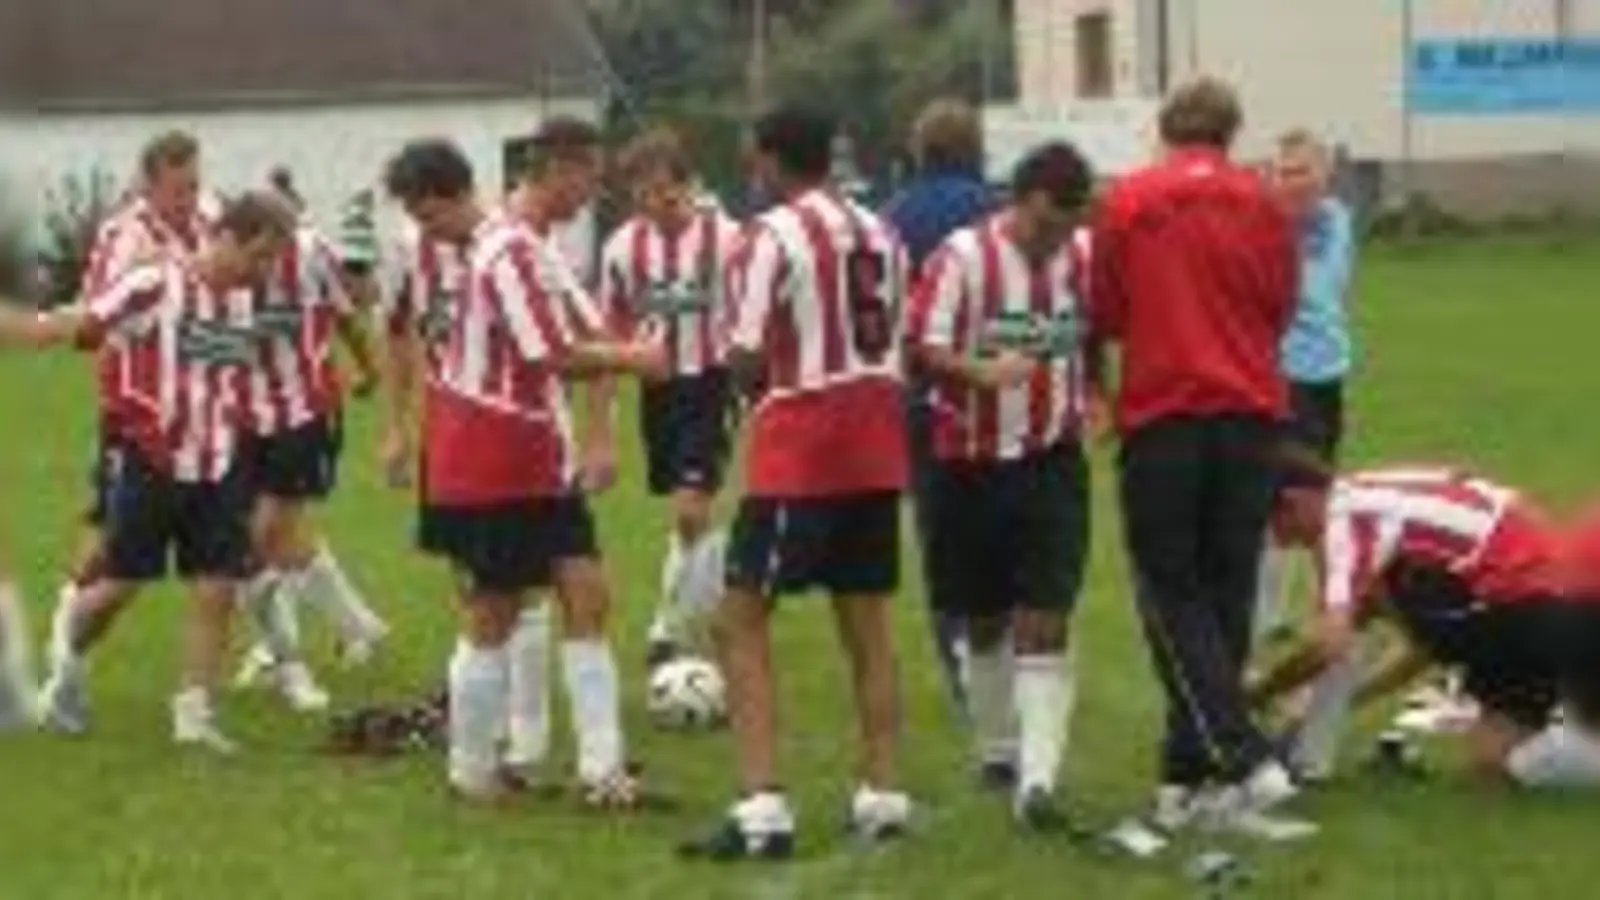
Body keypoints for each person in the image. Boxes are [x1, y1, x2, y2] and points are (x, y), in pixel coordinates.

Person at [382, 138, 666, 803]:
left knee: (586, 593)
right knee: (495, 612)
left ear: (454, 193)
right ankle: (473, 771)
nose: (428, 234)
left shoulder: (504, 247)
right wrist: (634, 359)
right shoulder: (500, 251)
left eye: (428, 217)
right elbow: (549, 355)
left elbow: (550, 347)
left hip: (522, 454)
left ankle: (602, 770)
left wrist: (610, 375)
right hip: (497, 454)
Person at [683, 105, 911, 861]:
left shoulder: (769, 236)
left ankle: (761, 808)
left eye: (755, 159)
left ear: (774, 160)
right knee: (867, 623)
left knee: (739, 619)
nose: (752, 172)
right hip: (878, 438)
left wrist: (739, 396)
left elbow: (746, 353)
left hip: (807, 441)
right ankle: (882, 796)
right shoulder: (880, 229)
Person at [1089, 77, 1307, 837]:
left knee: (1170, 592)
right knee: (1227, 592)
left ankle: (1242, 754)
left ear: (1167, 130)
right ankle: (1184, 776)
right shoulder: (1265, 203)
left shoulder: (1128, 199)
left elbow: (1107, 311)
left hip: (1166, 415)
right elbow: (1281, 308)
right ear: (1231, 132)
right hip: (1252, 417)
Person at [4, 192, 298, 751]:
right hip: (151, 461)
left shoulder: (249, 301)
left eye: (273, 260)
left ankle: (194, 716)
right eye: (258, 256)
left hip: (220, 463)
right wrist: (24, 325)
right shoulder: (154, 284)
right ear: (226, 237)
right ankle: (66, 659)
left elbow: (237, 374)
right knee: (120, 586)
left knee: (217, 585)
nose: (264, 271)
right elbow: (80, 324)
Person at [905, 142, 1097, 829]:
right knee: (982, 620)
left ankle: (1037, 785)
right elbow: (917, 346)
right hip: (967, 462)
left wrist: (1101, 392)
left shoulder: (1084, 256)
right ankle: (997, 750)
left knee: (1045, 618)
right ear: (1019, 201)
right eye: (1045, 225)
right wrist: (977, 372)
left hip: (1052, 459)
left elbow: (1096, 332)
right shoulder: (962, 257)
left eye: (1067, 227)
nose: (1055, 241)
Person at [1249, 456, 1600, 787]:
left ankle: (1304, 755)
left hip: (1520, 600)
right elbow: (1423, 648)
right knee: (1492, 764)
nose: (1279, 542)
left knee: (1359, 610)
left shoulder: (1344, 528)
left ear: (1293, 501)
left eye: (1272, 526)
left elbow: (1330, 646)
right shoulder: (1367, 493)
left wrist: (1260, 693)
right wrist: (1345, 701)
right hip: (1540, 589)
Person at [45, 132, 213, 685]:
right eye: (178, 189)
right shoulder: (124, 236)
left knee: (232, 548)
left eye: (194, 186)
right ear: (149, 184)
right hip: (136, 414)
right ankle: (63, 645)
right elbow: (93, 326)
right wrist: (144, 294)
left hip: (202, 411)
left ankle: (278, 665)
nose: (188, 199)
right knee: (110, 544)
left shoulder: (208, 223)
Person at [596, 127, 743, 667]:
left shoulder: (728, 240)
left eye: (663, 189)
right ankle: (713, 603)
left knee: (689, 509)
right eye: (641, 192)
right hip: (657, 388)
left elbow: (754, 317)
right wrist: (601, 430)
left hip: (711, 381)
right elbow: (611, 338)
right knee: (688, 516)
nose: (653, 202)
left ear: (688, 185)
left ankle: (674, 627)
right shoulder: (622, 248)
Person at [229, 214, 386, 709]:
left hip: (305, 412)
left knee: (259, 537)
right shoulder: (220, 259)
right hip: (240, 416)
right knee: (280, 536)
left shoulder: (312, 253)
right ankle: (359, 627)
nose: (267, 259)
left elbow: (345, 313)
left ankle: (278, 655)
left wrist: (370, 368)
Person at [881, 98, 993, 716]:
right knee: (1003, 530)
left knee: (941, 536)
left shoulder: (892, 217)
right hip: (998, 393)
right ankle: (1009, 659)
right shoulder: (998, 212)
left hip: (923, 394)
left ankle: (963, 670)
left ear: (919, 150)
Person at [1254, 128, 1358, 643]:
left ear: (1324, 173)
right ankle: (1285, 612)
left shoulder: (1339, 217)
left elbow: (1335, 287)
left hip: (1328, 375)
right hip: (1283, 376)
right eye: (1283, 172)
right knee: (1299, 495)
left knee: (1305, 495)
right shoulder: (1261, 223)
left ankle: (1276, 611)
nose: (1291, 182)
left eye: (1301, 171)